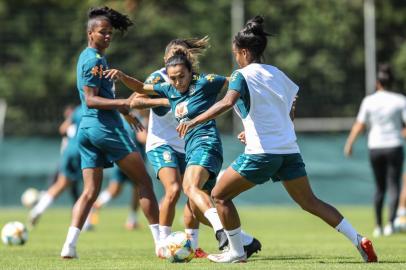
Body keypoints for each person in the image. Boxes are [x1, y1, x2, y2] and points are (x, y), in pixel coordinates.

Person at [177, 16, 378, 263]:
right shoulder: (279, 75)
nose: (235, 58)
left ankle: (237, 252)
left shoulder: (241, 74)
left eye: (235, 53)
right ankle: (359, 239)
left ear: (243, 52)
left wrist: (195, 120)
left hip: (262, 152)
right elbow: (288, 112)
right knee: (310, 202)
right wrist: (254, 130)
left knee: (219, 195)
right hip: (289, 150)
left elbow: (227, 101)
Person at [105, 47, 261, 258]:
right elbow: (140, 88)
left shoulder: (205, 81)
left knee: (188, 187)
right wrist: (123, 77)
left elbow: (234, 81)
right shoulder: (168, 88)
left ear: (190, 70)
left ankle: (221, 232)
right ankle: (243, 241)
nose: (178, 82)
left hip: (206, 144)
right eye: (173, 78)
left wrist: (252, 116)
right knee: (196, 206)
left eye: (181, 77)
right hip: (191, 150)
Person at [60, 6, 159, 259]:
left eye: (110, 33)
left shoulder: (91, 58)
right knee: (144, 181)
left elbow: (102, 96)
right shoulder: (93, 59)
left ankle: (69, 246)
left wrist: (124, 112)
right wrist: (125, 105)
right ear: (90, 33)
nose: (107, 36)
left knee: (91, 192)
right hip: (103, 129)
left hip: (88, 131)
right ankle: (162, 243)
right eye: (102, 32)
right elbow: (91, 101)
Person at [345, 64, 406, 237]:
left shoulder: (369, 101)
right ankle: (390, 225)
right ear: (392, 82)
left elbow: (359, 124)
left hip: (376, 147)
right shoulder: (400, 100)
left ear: (378, 82)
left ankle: (378, 226)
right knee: (394, 185)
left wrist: (350, 143)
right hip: (394, 145)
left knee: (380, 187)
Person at [85, 111, 148, 231]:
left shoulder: (119, 119)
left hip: (120, 158)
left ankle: (94, 208)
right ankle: (132, 220)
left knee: (113, 191)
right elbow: (142, 137)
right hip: (134, 160)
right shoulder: (136, 118)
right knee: (140, 188)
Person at [28, 105, 82, 227]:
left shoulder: (78, 110)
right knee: (90, 188)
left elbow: (62, 129)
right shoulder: (96, 108)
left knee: (61, 185)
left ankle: (37, 210)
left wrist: (69, 135)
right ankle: (85, 223)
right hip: (82, 151)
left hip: (68, 151)